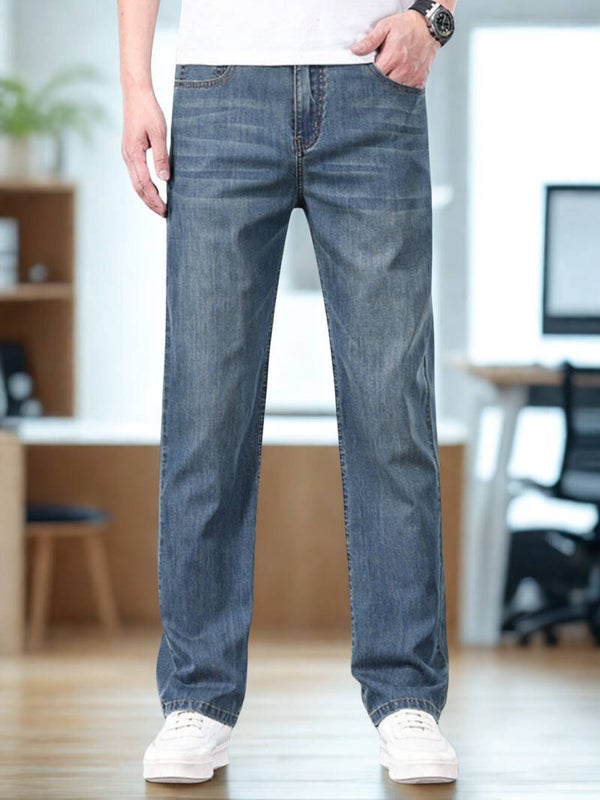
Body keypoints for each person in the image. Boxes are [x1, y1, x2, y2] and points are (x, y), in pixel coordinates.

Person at [118, 0, 459, 786]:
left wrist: (436, 15)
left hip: (376, 84)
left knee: (391, 413)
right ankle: (197, 697)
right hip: (220, 91)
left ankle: (407, 697)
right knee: (206, 411)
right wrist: (136, 84)